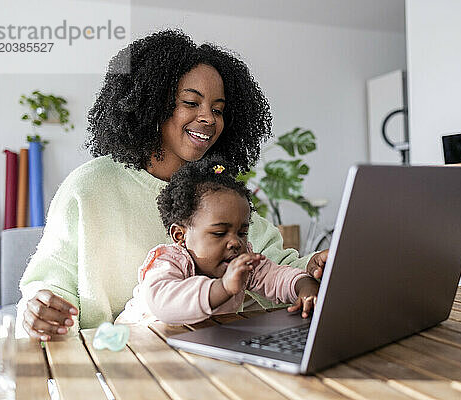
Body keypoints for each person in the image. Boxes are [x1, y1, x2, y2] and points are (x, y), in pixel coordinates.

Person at [17, 29, 328, 340]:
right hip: (113, 360)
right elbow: (50, 284)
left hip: (210, 352)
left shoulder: (216, 191)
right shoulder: (88, 187)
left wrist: (313, 266)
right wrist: (41, 310)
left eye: (218, 109)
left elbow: (272, 265)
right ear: (151, 104)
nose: (209, 118)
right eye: (191, 102)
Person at [117, 158, 319, 325]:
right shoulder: (169, 261)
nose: (235, 242)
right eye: (220, 233)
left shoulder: (241, 262)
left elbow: (276, 277)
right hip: (137, 346)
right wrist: (222, 287)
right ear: (180, 236)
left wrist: (304, 285)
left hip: (199, 344)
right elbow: (162, 304)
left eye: (242, 232)